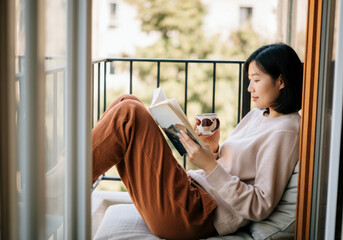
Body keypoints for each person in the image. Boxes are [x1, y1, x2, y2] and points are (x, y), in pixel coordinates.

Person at [92, 43, 303, 240]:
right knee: (127, 101)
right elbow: (234, 170)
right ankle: (70, 177)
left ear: (281, 81)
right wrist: (213, 149)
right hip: (193, 191)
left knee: (130, 113)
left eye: (256, 80)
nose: (249, 88)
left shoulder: (285, 131)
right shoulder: (259, 115)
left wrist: (209, 165)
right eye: (249, 80)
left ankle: (67, 182)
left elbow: (259, 206)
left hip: (197, 212)